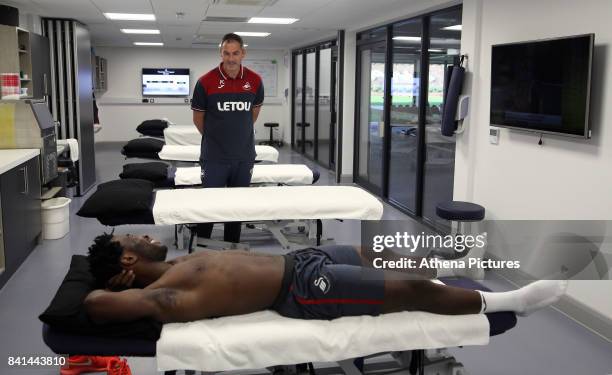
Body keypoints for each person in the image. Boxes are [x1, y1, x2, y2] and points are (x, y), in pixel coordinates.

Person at [84, 233, 567, 323]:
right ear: (127, 264)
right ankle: (512, 303)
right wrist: (106, 288)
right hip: (298, 290)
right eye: (133, 239)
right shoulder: (164, 293)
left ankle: (455, 267)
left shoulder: (174, 264)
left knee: (390, 257)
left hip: (304, 256)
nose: (144, 235)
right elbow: (91, 305)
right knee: (411, 293)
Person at [191, 33, 264, 244]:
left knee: (237, 209)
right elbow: (198, 119)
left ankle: (232, 250)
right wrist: (218, 139)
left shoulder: (255, 81)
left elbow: (253, 115)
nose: (231, 58)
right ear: (220, 53)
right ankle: (202, 249)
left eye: (235, 53)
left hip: (244, 157)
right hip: (214, 158)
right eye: (226, 53)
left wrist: (237, 135)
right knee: (209, 207)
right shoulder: (205, 82)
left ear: (243, 53)